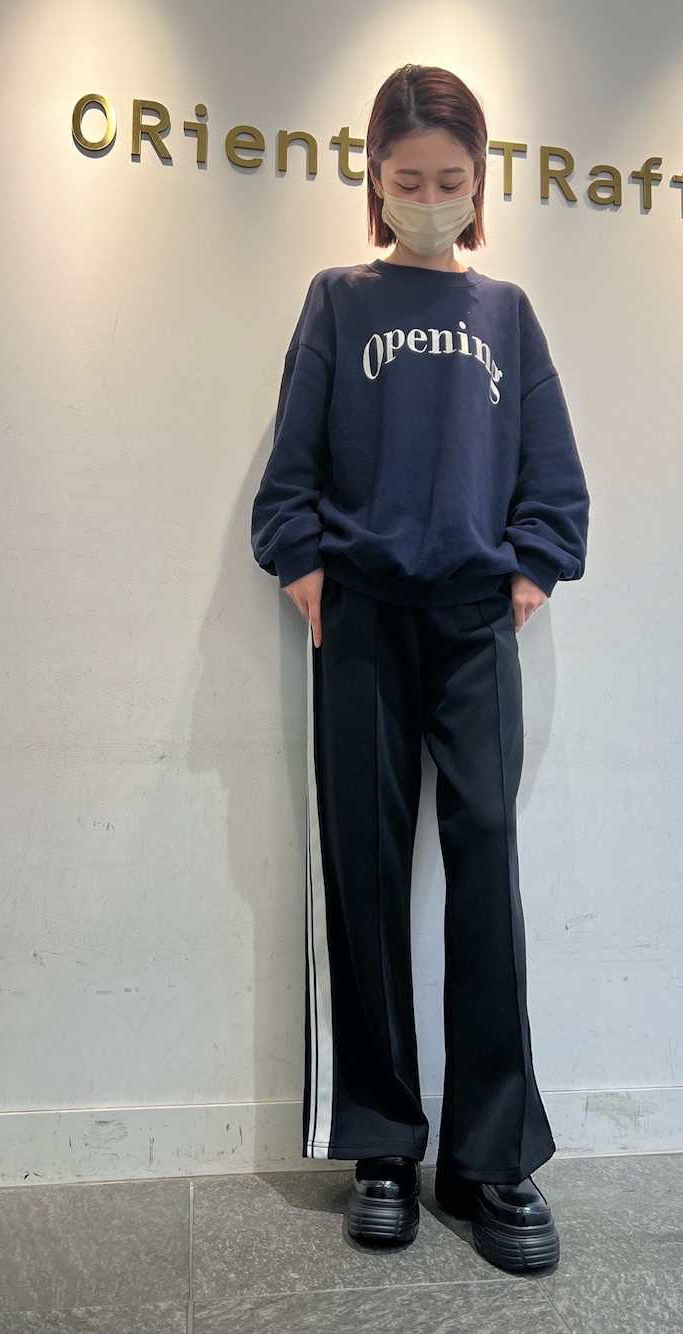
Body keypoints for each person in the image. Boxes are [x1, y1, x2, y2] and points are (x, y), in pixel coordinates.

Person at [251, 64, 589, 1275]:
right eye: (408, 178)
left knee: (486, 862)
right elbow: (290, 473)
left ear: (481, 181)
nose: (431, 197)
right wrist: (305, 568)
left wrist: (530, 571)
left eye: (451, 178)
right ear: (375, 181)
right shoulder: (337, 300)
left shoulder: (507, 313)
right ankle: (383, 1145)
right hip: (360, 619)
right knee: (366, 869)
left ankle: (490, 1156)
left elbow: (553, 480)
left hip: (470, 624)